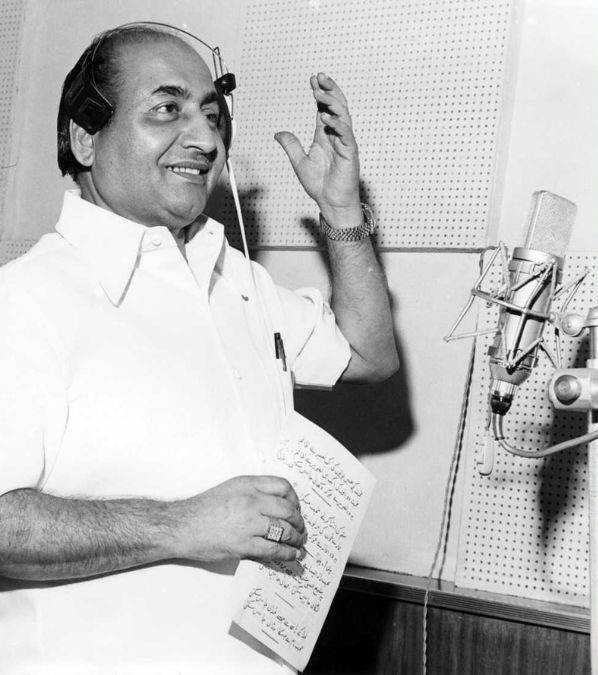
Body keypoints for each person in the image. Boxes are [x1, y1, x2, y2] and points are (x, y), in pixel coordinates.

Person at [0, 23, 398, 675]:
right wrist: (181, 524)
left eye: (213, 115)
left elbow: (369, 353)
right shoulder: (23, 301)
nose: (207, 139)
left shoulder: (237, 281)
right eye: (167, 108)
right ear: (85, 138)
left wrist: (342, 210)